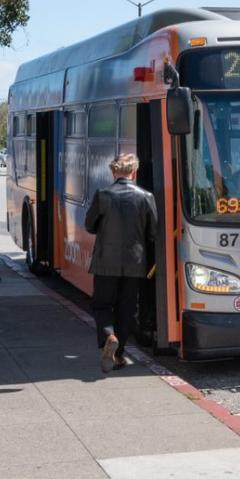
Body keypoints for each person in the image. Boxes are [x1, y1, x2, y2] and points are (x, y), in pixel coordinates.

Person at [84, 153, 157, 373]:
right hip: (135, 262)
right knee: (127, 308)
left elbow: (89, 225)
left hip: (106, 260)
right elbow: (153, 232)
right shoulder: (146, 196)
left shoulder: (103, 195)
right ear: (134, 172)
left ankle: (109, 336)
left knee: (102, 304)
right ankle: (119, 353)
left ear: (113, 172)